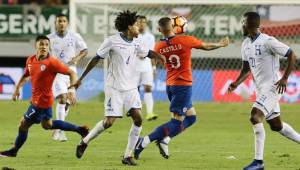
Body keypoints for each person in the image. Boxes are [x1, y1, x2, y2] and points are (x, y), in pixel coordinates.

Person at [71, 10, 164, 166]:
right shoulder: (111, 41)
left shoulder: (137, 41)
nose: (138, 28)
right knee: (109, 122)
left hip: (131, 88)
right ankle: (84, 142)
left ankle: (127, 156)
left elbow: (147, 52)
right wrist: (80, 79)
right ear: (129, 27)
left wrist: (159, 56)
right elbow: (95, 59)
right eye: (135, 25)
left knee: (138, 118)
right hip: (114, 88)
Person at [134, 17, 229, 160]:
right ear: (174, 27)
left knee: (191, 117)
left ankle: (166, 140)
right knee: (176, 122)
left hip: (171, 85)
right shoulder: (186, 40)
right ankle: (144, 141)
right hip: (183, 85)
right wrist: (220, 44)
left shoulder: (159, 46)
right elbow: (206, 46)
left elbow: (156, 58)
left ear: (160, 30)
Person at [227, 12, 300, 170]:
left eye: (242, 22)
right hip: (261, 89)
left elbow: (292, 55)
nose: (241, 25)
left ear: (248, 24)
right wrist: (236, 83)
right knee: (276, 125)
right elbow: (246, 68)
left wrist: (285, 78)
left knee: (255, 116)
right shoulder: (246, 44)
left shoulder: (268, 41)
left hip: (273, 86)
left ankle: (258, 163)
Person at [0, 35, 89, 158]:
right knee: (48, 125)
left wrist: (72, 89)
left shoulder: (52, 62)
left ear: (49, 47)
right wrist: (16, 89)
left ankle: (14, 151)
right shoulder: (30, 60)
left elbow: (71, 73)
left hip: (40, 103)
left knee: (23, 125)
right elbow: (26, 75)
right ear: (35, 46)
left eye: (47, 45)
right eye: (41, 44)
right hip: (45, 102)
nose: (44, 47)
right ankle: (80, 129)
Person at [48, 13, 88, 142]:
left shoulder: (74, 36)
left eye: (64, 21)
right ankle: (61, 132)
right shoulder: (49, 39)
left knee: (67, 104)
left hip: (71, 72)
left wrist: (76, 58)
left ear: (67, 23)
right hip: (57, 73)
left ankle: (57, 130)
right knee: (62, 99)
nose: (61, 23)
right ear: (55, 23)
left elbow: (85, 50)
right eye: (59, 21)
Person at [135, 15, 158, 121]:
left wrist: (154, 68)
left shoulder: (150, 37)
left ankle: (150, 113)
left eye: (143, 22)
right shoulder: (132, 36)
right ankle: (134, 111)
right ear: (136, 23)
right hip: (134, 66)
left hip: (146, 66)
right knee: (135, 90)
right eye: (139, 22)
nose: (142, 24)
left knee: (148, 88)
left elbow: (152, 53)